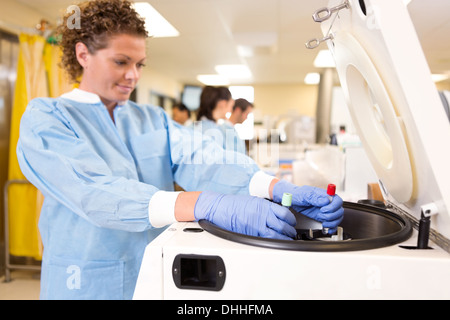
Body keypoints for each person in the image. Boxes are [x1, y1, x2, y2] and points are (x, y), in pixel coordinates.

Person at [16, 0, 344, 300]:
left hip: (153, 274)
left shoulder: (150, 117)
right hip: (86, 284)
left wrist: (272, 186)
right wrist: (203, 203)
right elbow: (96, 192)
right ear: (83, 54)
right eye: (121, 62)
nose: (133, 75)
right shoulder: (46, 119)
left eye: (140, 64)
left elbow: (203, 158)